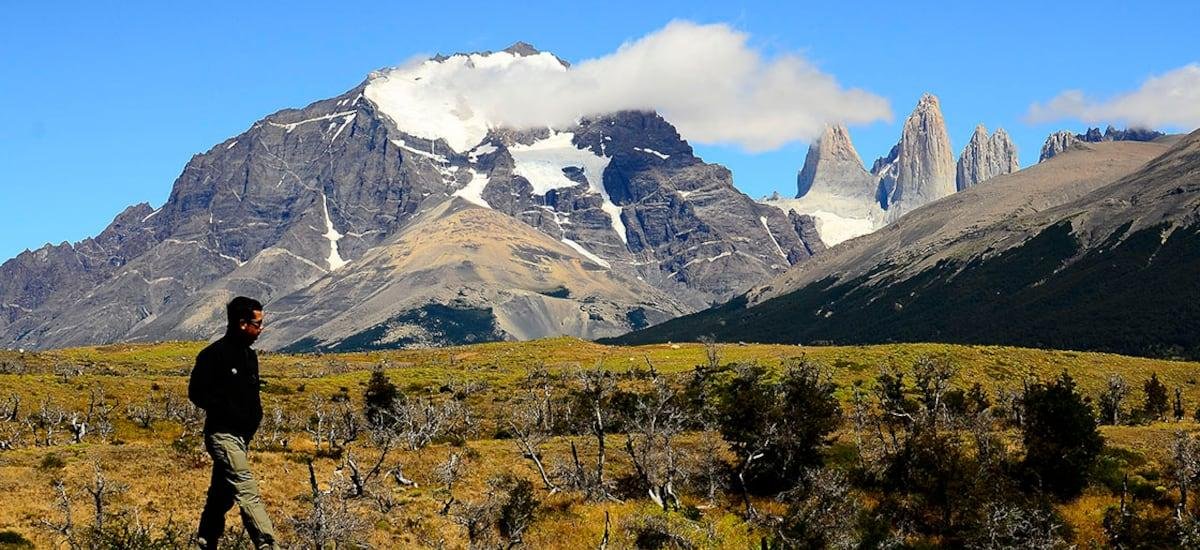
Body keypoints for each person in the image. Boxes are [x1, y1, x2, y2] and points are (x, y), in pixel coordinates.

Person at [188, 296, 276, 549]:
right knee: (247, 490)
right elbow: (196, 393)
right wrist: (226, 408)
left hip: (242, 437)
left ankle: (206, 540)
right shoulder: (213, 355)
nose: (261, 329)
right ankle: (267, 543)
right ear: (242, 323)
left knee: (221, 495)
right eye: (257, 324)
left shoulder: (249, 356)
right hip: (223, 434)